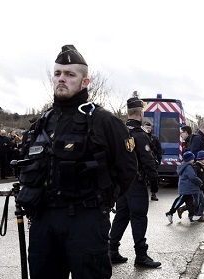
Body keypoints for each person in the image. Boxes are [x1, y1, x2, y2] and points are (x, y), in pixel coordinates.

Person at [21, 45, 138, 279]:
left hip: (86, 221)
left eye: (70, 74)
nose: (62, 79)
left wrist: (101, 200)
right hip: (44, 221)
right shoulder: (40, 125)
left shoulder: (104, 122)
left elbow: (127, 169)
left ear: (85, 82)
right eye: (57, 74)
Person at [109, 97, 161, 268]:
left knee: (122, 216)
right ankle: (141, 255)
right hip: (136, 182)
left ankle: (112, 250)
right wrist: (154, 183)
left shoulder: (120, 132)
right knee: (138, 218)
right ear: (140, 113)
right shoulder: (140, 135)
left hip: (121, 183)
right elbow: (148, 161)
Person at [165, 151, 204, 223]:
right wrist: (200, 182)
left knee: (190, 203)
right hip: (186, 188)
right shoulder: (188, 167)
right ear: (190, 159)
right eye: (192, 159)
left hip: (188, 189)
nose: (194, 160)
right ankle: (170, 213)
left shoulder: (186, 166)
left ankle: (192, 215)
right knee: (180, 200)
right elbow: (192, 177)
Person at [143, 121, 163, 201]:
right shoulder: (140, 137)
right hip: (142, 160)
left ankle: (153, 193)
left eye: (149, 128)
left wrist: (158, 159)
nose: (148, 129)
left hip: (152, 160)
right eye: (146, 127)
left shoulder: (154, 138)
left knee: (154, 178)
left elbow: (159, 150)